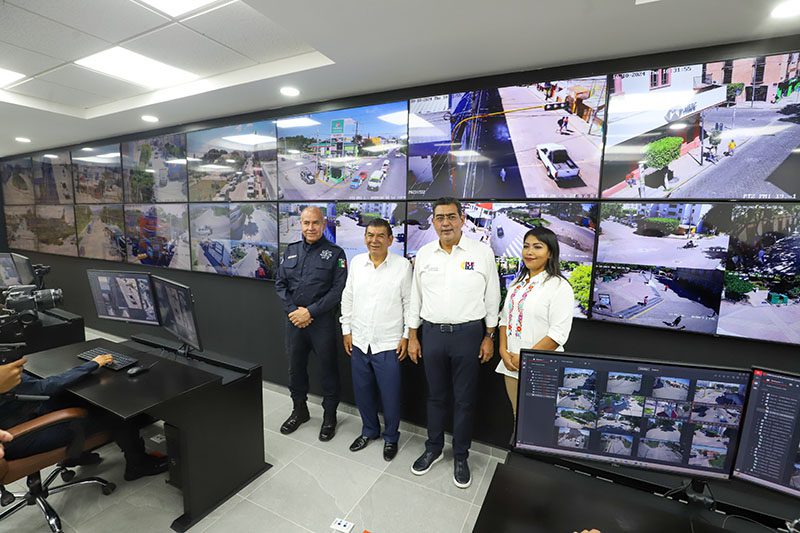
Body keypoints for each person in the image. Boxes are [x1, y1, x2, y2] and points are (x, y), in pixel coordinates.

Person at [407, 197, 500, 489]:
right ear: (433, 221)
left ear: (462, 219)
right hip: (432, 335)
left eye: (451, 216)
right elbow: (415, 297)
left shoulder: (482, 253)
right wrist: (412, 336)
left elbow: (492, 297)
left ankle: (461, 455)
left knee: (464, 400)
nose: (445, 223)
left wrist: (489, 336)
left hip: (469, 336)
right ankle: (433, 448)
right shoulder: (424, 254)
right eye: (439, 217)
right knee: (435, 397)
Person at [0, 354, 168, 481]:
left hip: (17, 421)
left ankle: (77, 456)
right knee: (114, 409)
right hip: (18, 436)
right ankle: (138, 464)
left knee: (73, 397)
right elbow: (44, 387)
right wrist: (93, 364)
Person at [340, 218, 411, 461]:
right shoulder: (357, 263)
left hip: (388, 343)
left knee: (390, 396)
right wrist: (346, 330)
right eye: (370, 235)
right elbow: (348, 297)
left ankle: (391, 437)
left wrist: (406, 335)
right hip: (359, 340)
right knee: (363, 393)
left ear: (390, 239)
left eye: (381, 236)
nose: (375, 240)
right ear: (365, 238)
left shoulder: (402, 266)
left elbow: (409, 304)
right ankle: (369, 430)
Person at [275, 206, 347, 441]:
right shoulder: (291, 250)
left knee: (328, 370)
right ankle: (299, 410)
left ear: (323, 224)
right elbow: (280, 284)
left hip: (321, 322)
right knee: (295, 369)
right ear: (301, 224)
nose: (311, 227)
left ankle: (329, 417)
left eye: (315, 223)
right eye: (306, 223)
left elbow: (338, 290)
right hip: (294, 322)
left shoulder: (336, 253)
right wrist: (294, 311)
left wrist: (310, 312)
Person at [497, 227, 574, 418]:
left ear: (550, 253)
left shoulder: (559, 286)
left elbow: (558, 334)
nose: (529, 252)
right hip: (511, 365)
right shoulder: (517, 283)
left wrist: (526, 358)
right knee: (518, 416)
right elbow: (504, 319)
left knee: (538, 420)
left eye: (537, 247)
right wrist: (503, 351)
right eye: (526, 246)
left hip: (541, 367)